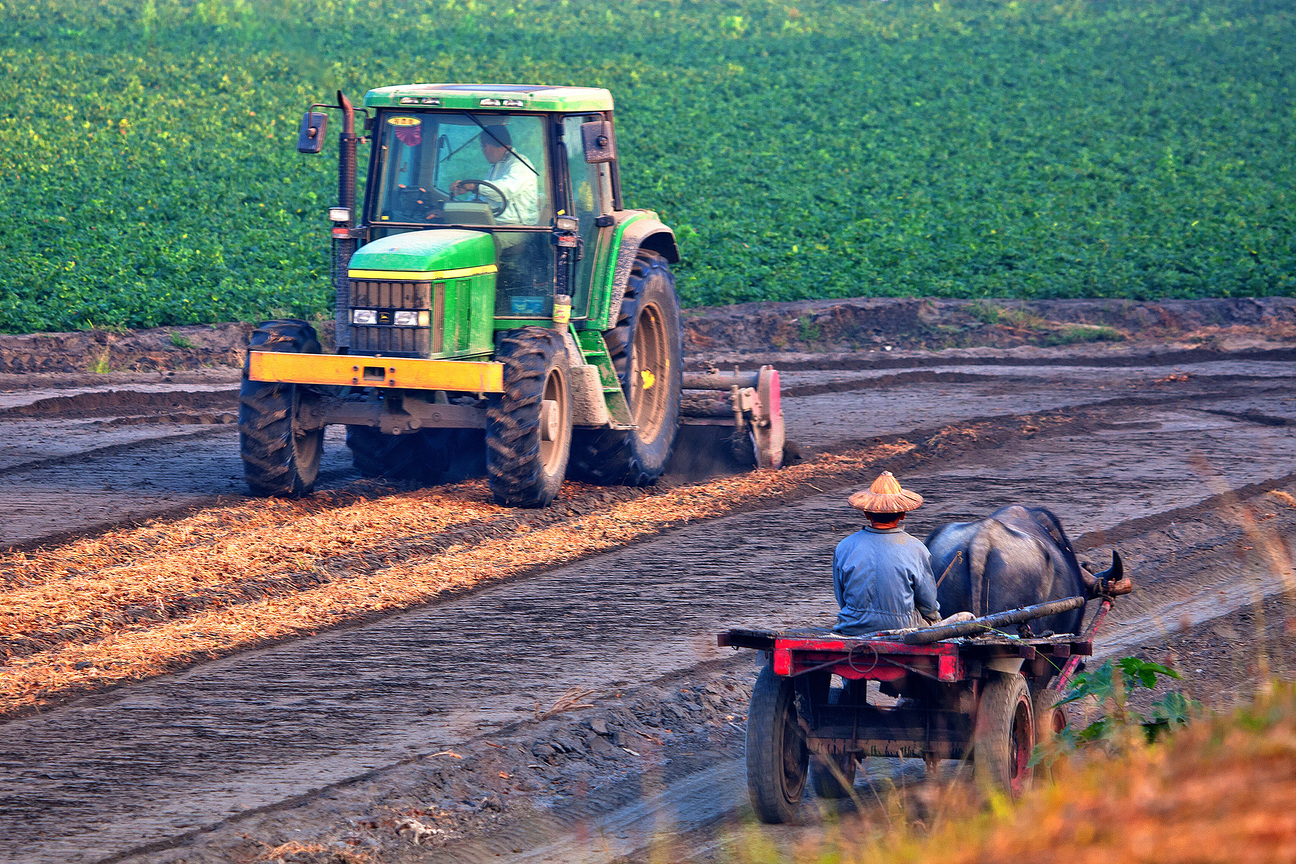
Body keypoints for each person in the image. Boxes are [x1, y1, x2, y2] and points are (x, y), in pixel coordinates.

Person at [832, 471, 943, 636]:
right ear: (903, 513)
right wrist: (934, 618)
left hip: (853, 626)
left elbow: (842, 599)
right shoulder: (916, 548)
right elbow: (928, 605)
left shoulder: (844, 547)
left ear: (866, 513)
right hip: (903, 627)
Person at [450, 125, 539, 226]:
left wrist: (475, 186)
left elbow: (504, 191)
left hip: (516, 228)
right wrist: (455, 210)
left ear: (489, 145)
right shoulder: (497, 166)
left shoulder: (520, 164)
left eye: (483, 146)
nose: (483, 151)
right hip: (495, 224)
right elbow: (486, 199)